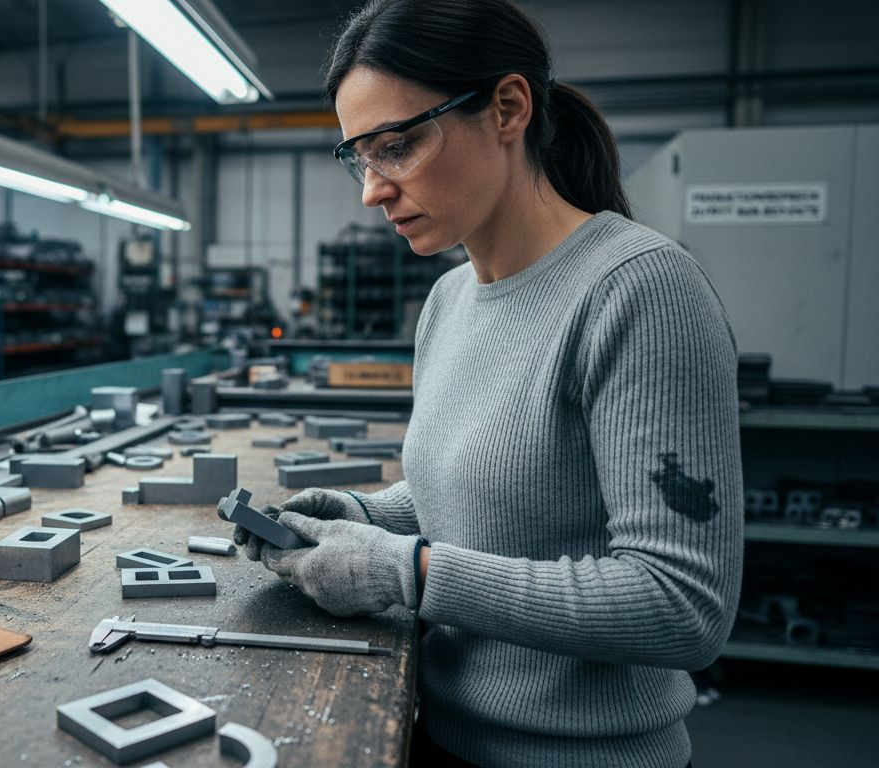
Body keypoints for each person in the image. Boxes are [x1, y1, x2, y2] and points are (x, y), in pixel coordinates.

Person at [221, 1, 743, 766]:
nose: (372, 189)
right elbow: (491, 496)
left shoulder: (640, 290)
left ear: (507, 108)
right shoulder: (449, 299)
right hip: (434, 729)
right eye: (359, 158)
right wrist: (366, 515)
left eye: (395, 146)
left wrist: (403, 569)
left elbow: (682, 607)